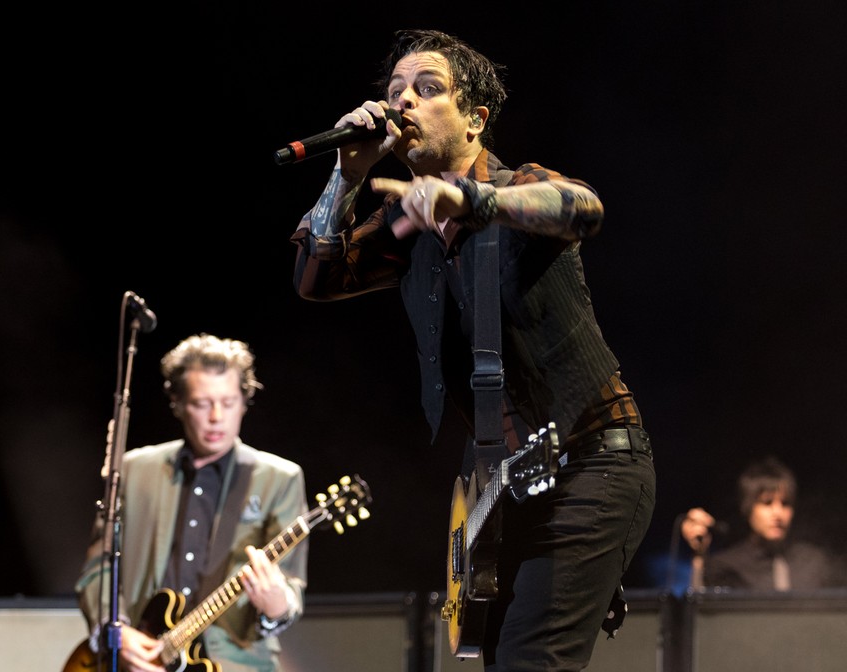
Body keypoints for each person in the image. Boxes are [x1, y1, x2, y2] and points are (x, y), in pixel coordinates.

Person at [287, 28, 655, 672]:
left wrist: (476, 199)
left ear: (475, 120)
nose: (402, 103)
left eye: (427, 90)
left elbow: (583, 207)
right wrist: (347, 173)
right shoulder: (405, 230)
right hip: (514, 490)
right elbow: (316, 278)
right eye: (395, 92)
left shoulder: (520, 189)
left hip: (595, 465)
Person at [73, 333, 308, 672]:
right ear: (179, 404)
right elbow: (99, 567)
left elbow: (291, 587)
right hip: (145, 656)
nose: (216, 416)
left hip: (234, 663)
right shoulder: (135, 470)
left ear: (244, 402)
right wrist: (116, 632)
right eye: (201, 403)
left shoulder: (278, 479)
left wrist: (276, 605)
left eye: (228, 403)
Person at [681, 455, 843, 590]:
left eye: (785, 504)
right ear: (748, 509)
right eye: (767, 503)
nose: (778, 513)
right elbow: (703, 618)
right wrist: (699, 557)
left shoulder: (815, 562)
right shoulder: (727, 566)